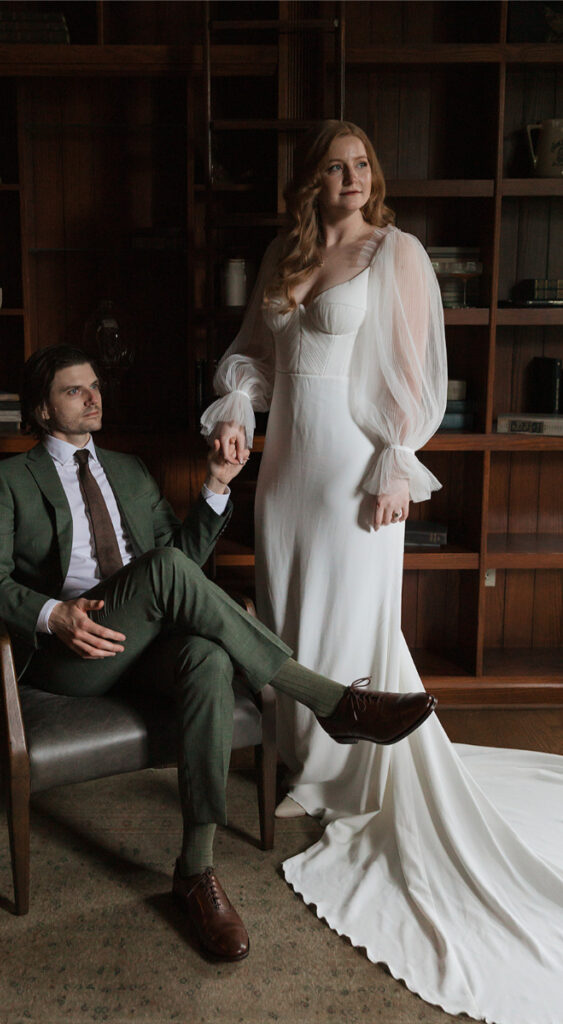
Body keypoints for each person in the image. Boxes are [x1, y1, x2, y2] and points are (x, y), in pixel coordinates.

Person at [201, 122, 563, 1023]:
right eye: (335, 164)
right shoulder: (284, 253)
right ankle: (303, 766)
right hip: (284, 466)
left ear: (375, 176)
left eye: (362, 164)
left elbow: (418, 370)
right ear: (311, 179)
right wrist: (239, 408)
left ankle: (348, 775)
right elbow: (251, 355)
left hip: (357, 464)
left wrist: (397, 461)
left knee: (353, 613)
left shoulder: (394, 252)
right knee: (286, 611)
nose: (352, 178)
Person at [0, 344, 435, 965]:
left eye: (95, 386)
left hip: (146, 642)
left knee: (208, 659)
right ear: (41, 411)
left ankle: (196, 870)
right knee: (161, 572)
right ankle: (328, 699)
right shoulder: (10, 480)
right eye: (75, 391)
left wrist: (216, 485)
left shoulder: (129, 470)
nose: (93, 397)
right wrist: (54, 615)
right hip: (73, 653)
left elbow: (180, 563)